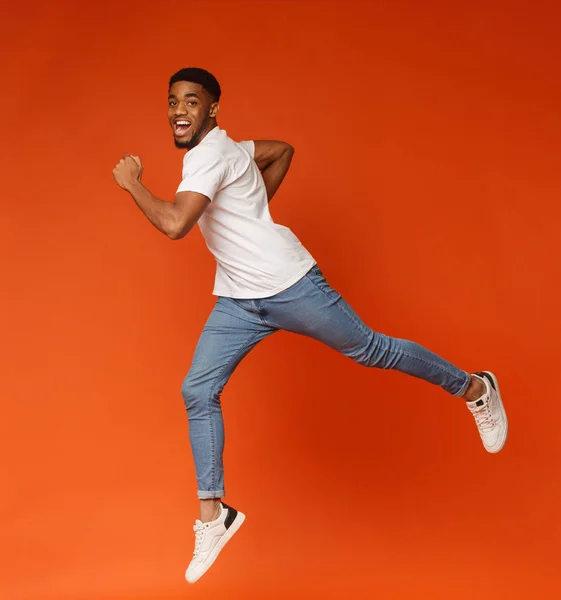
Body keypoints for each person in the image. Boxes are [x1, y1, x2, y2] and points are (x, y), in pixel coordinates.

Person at [112, 67, 508, 584]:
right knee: (198, 388)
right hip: (239, 299)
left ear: (212, 110)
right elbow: (281, 150)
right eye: (172, 102)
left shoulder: (207, 157)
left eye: (191, 102)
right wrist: (253, 212)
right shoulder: (229, 148)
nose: (178, 111)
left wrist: (132, 182)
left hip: (287, 284)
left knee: (372, 350)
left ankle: (476, 387)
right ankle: (214, 515)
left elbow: (174, 225)